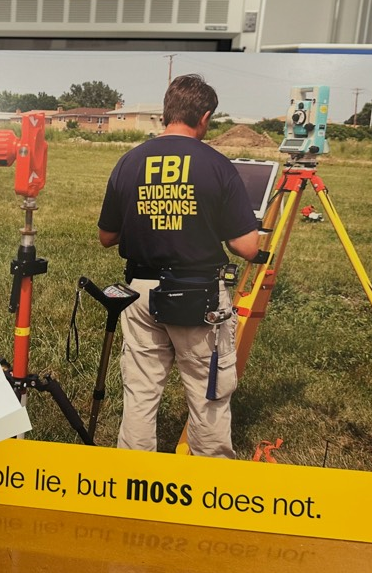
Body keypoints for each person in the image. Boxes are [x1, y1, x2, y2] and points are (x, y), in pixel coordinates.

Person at [96, 74, 259, 459]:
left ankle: (134, 481)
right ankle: (208, 482)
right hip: (199, 297)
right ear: (204, 116)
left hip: (139, 293)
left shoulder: (128, 161)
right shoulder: (218, 166)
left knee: (140, 393)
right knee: (209, 394)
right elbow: (246, 247)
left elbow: (106, 236)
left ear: (167, 113)